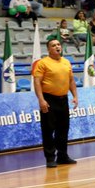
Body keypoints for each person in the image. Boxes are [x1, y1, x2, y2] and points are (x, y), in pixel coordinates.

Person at [32, 36, 78, 168]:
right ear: (48, 49)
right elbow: (37, 82)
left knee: (63, 130)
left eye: (58, 44)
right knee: (48, 130)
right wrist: (41, 100)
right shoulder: (42, 63)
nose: (57, 47)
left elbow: (71, 81)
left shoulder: (66, 62)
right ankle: (50, 158)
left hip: (63, 100)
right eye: (53, 45)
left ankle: (62, 156)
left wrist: (75, 96)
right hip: (49, 100)